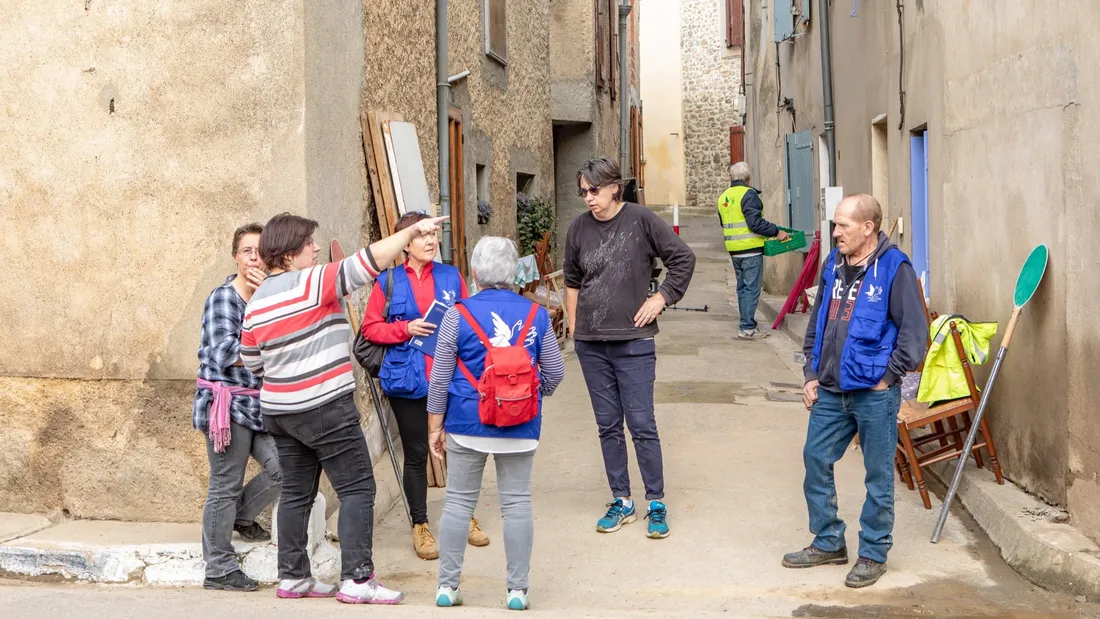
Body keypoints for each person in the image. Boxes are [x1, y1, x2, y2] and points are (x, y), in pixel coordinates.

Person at [241, 212, 446, 604]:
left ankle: (293, 577)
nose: (317, 248)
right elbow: (368, 261)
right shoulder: (312, 282)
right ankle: (358, 579)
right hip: (324, 406)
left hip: (280, 412)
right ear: (288, 254)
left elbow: (252, 361)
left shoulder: (258, 300)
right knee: (358, 487)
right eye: (308, 243)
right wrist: (410, 231)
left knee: (297, 492)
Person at [783, 194, 926, 588]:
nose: (835, 232)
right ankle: (829, 540)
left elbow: (915, 332)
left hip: (874, 392)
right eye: (835, 224)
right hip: (831, 388)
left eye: (843, 225)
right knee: (815, 458)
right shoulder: (833, 264)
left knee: (877, 475)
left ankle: (873, 553)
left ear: (868, 227)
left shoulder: (894, 268)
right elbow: (818, 322)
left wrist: (887, 377)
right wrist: (811, 373)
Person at [426, 236, 565, 611]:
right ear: (514, 273)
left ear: (474, 273)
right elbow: (555, 372)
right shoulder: (536, 315)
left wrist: (435, 427)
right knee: (517, 504)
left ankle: (447, 587)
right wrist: (530, 397)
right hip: (520, 424)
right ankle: (517, 591)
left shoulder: (456, 315)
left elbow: (439, 379)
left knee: (458, 503)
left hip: (466, 422)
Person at [564, 157, 696, 540]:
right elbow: (572, 281)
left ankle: (656, 502)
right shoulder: (578, 228)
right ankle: (621, 500)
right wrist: (575, 328)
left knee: (641, 424)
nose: (588, 198)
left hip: (634, 342)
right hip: (592, 345)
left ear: (614, 188)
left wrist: (661, 298)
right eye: (583, 191)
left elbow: (682, 258)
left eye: (594, 190)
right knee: (608, 425)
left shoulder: (641, 220)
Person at [360, 211, 489, 561]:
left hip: (450, 380)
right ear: (405, 244)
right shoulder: (388, 282)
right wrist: (405, 328)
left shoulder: (450, 276)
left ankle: (465, 516)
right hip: (407, 381)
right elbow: (370, 328)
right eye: (422, 235)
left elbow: (470, 320)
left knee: (460, 450)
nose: (431, 240)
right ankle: (420, 524)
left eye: (434, 234)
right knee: (416, 454)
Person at [193, 222, 282, 592]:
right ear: (235, 257)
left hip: (259, 406)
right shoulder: (223, 299)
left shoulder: (266, 298)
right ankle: (218, 568)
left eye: (260, 252)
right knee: (225, 485)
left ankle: (239, 516)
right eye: (247, 251)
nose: (254, 258)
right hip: (226, 406)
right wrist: (267, 343)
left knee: (284, 468)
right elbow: (224, 352)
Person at [716, 161, 790, 339]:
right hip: (750, 248)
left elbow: (723, 223)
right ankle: (747, 327)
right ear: (748, 178)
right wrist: (776, 231)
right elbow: (755, 223)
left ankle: (747, 323)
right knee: (751, 289)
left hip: (733, 249)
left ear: (732, 177)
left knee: (742, 288)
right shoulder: (749, 194)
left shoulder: (723, 197)